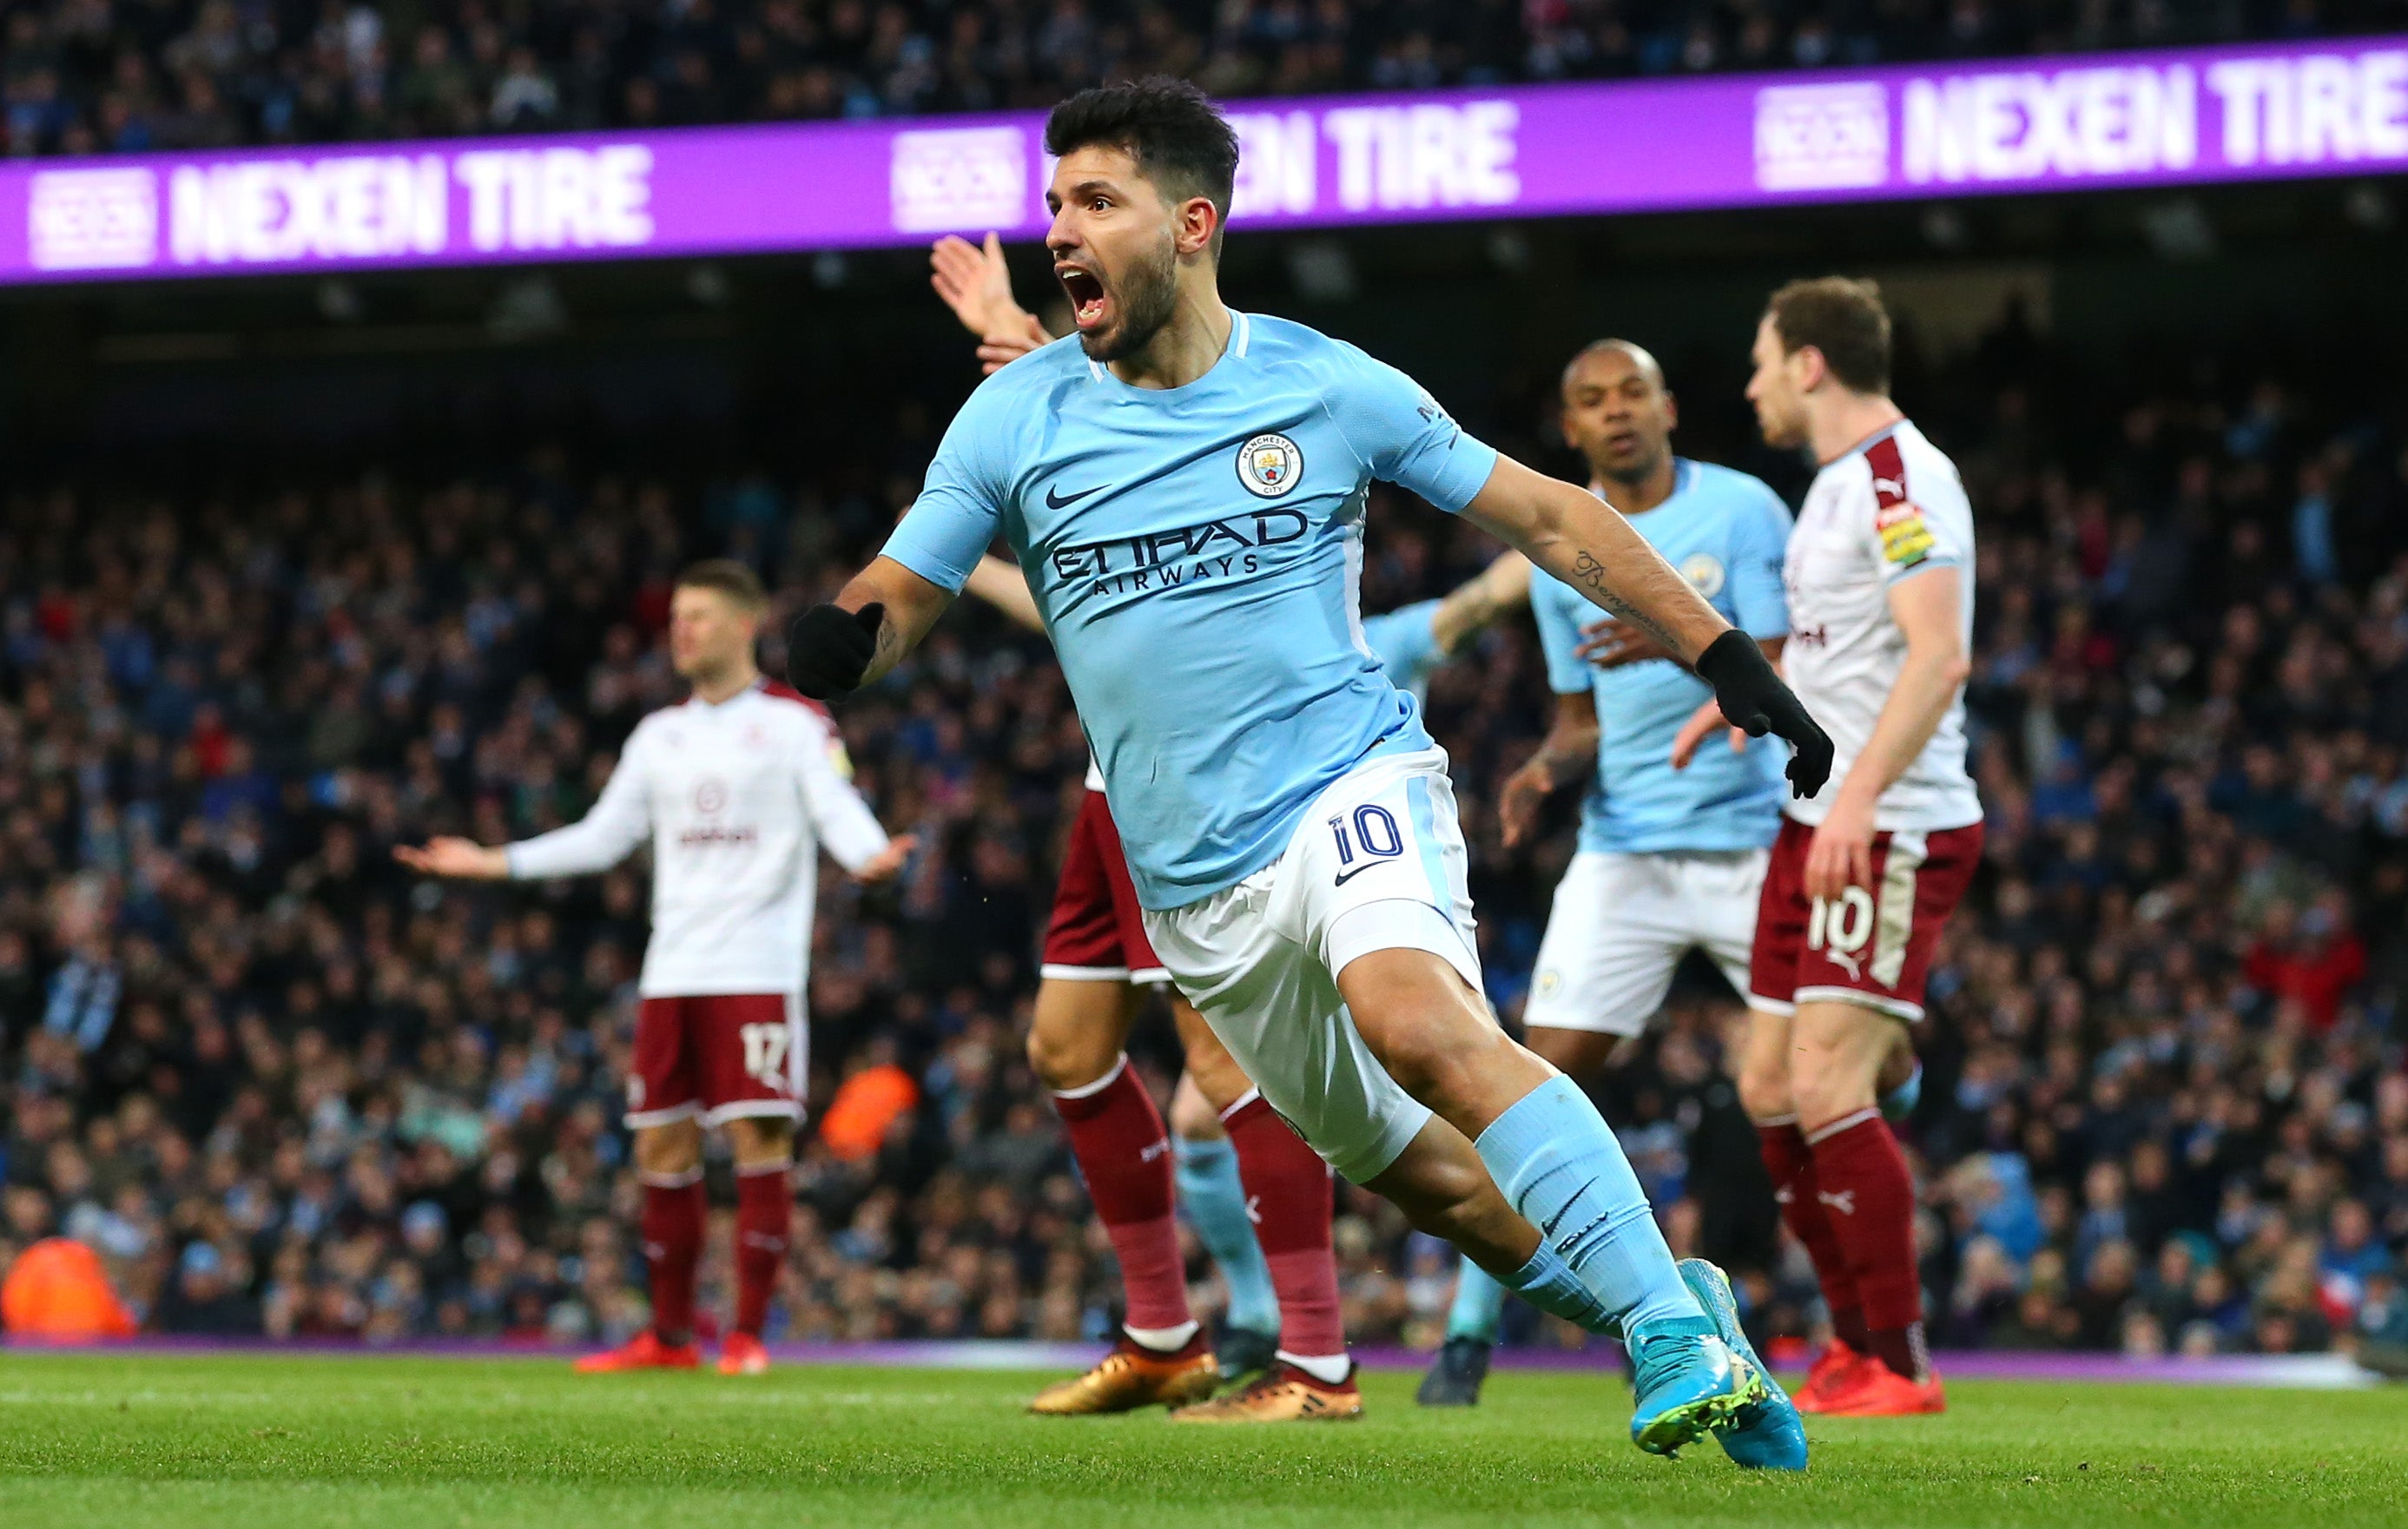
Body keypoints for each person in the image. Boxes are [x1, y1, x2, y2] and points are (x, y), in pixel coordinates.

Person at [793, 78, 1823, 1466]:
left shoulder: (1327, 384)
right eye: (1053, 203)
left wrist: (1721, 654)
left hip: (1350, 783)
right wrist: (846, 639)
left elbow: (1543, 509)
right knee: (1447, 1191)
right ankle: (1677, 1303)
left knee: (1417, 1021)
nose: (1058, 230)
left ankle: (1664, 1336)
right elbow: (906, 586)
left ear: (1193, 223)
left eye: (1095, 200)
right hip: (1192, 883)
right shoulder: (1014, 418)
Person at [934, 232, 1534, 1422]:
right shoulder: (1098, 416)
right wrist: (1012, 334)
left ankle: (1318, 1358)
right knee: (1064, 1046)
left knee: (1227, 1069)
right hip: (1117, 782)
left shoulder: (1277, 426)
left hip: (1226, 800)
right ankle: (1162, 1330)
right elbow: (1080, 409)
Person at [1419, 340, 1918, 1407]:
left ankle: (1893, 1099)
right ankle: (1466, 1336)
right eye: (1591, 400)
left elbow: (1799, 658)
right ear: (1570, 426)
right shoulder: (1554, 540)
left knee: (1865, 1069)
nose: (1616, 414)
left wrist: (1678, 636)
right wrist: (1542, 773)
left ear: (1668, 406)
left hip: (1754, 839)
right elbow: (1579, 720)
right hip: (1624, 854)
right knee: (1520, 1081)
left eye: (1632, 393)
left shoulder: (1741, 511)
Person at [397, 560, 914, 1375]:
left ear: (745, 626)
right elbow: (602, 836)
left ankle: (744, 1335)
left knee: (756, 1138)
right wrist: (491, 862)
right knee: (660, 1150)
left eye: (700, 617)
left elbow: (833, 804)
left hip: (755, 965)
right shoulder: (657, 736)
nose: (682, 631)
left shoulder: (794, 724)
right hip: (670, 970)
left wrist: (868, 852)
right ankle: (671, 1336)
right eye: (677, 617)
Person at [1682, 277, 1983, 1417]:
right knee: (1766, 1085)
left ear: (1809, 362)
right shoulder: (1830, 491)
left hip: (1890, 825)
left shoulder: (1904, 481)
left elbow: (1935, 655)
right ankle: (1855, 1345)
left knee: (1821, 1079)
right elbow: (1838, 649)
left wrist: (1856, 795)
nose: (1752, 382)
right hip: (1815, 819)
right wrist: (1745, 702)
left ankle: (1898, 1359)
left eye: (1762, 360)